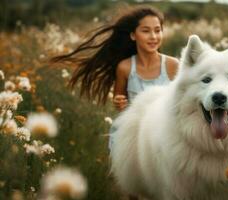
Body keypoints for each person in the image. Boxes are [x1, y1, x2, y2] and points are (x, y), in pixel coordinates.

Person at [51, 5, 178, 200]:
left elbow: (179, 99)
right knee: (132, 189)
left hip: (162, 132)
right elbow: (119, 100)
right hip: (132, 132)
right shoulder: (125, 68)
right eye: (146, 31)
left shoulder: (172, 65)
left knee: (162, 186)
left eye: (157, 30)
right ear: (133, 35)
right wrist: (119, 102)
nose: (153, 36)